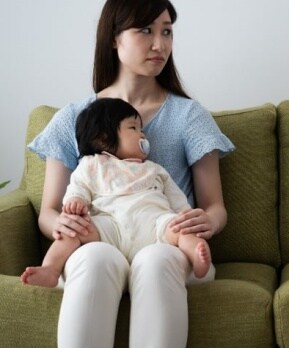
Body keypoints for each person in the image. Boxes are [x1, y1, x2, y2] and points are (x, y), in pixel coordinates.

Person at [28, 0, 234, 348]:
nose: (160, 44)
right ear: (114, 38)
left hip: (164, 243)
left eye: (168, 31)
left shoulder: (189, 117)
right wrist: (62, 226)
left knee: (155, 261)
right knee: (95, 259)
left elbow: (216, 207)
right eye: (146, 31)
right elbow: (49, 210)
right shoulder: (74, 119)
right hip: (100, 240)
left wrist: (203, 224)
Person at [22, 97, 213, 288]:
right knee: (74, 232)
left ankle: (196, 255)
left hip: (154, 224)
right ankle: (50, 269)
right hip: (109, 226)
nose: (143, 136)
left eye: (142, 129)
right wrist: (76, 200)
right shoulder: (92, 164)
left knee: (178, 228)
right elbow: (78, 186)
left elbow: (176, 199)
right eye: (133, 128)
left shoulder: (154, 169)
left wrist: (185, 215)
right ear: (104, 138)